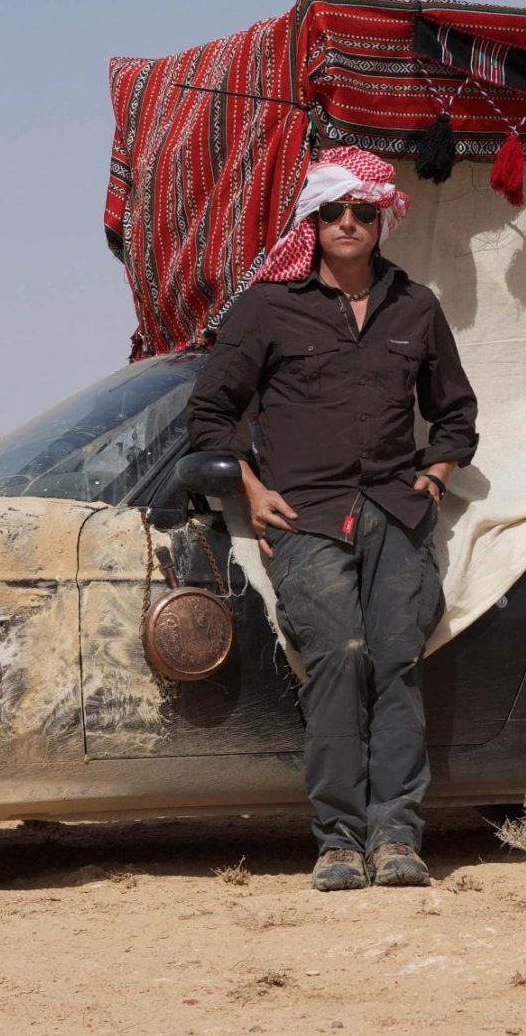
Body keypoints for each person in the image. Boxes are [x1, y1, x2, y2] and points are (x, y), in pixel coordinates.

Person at [187, 145, 479, 892]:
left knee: (394, 657)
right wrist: (250, 489)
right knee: (340, 652)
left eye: (363, 211)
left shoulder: (415, 306)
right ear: (311, 223)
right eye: (333, 211)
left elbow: (456, 415)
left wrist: (435, 478)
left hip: (393, 510)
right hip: (306, 517)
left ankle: (398, 839)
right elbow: (211, 414)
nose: (349, 222)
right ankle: (340, 840)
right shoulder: (266, 308)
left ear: (382, 220)